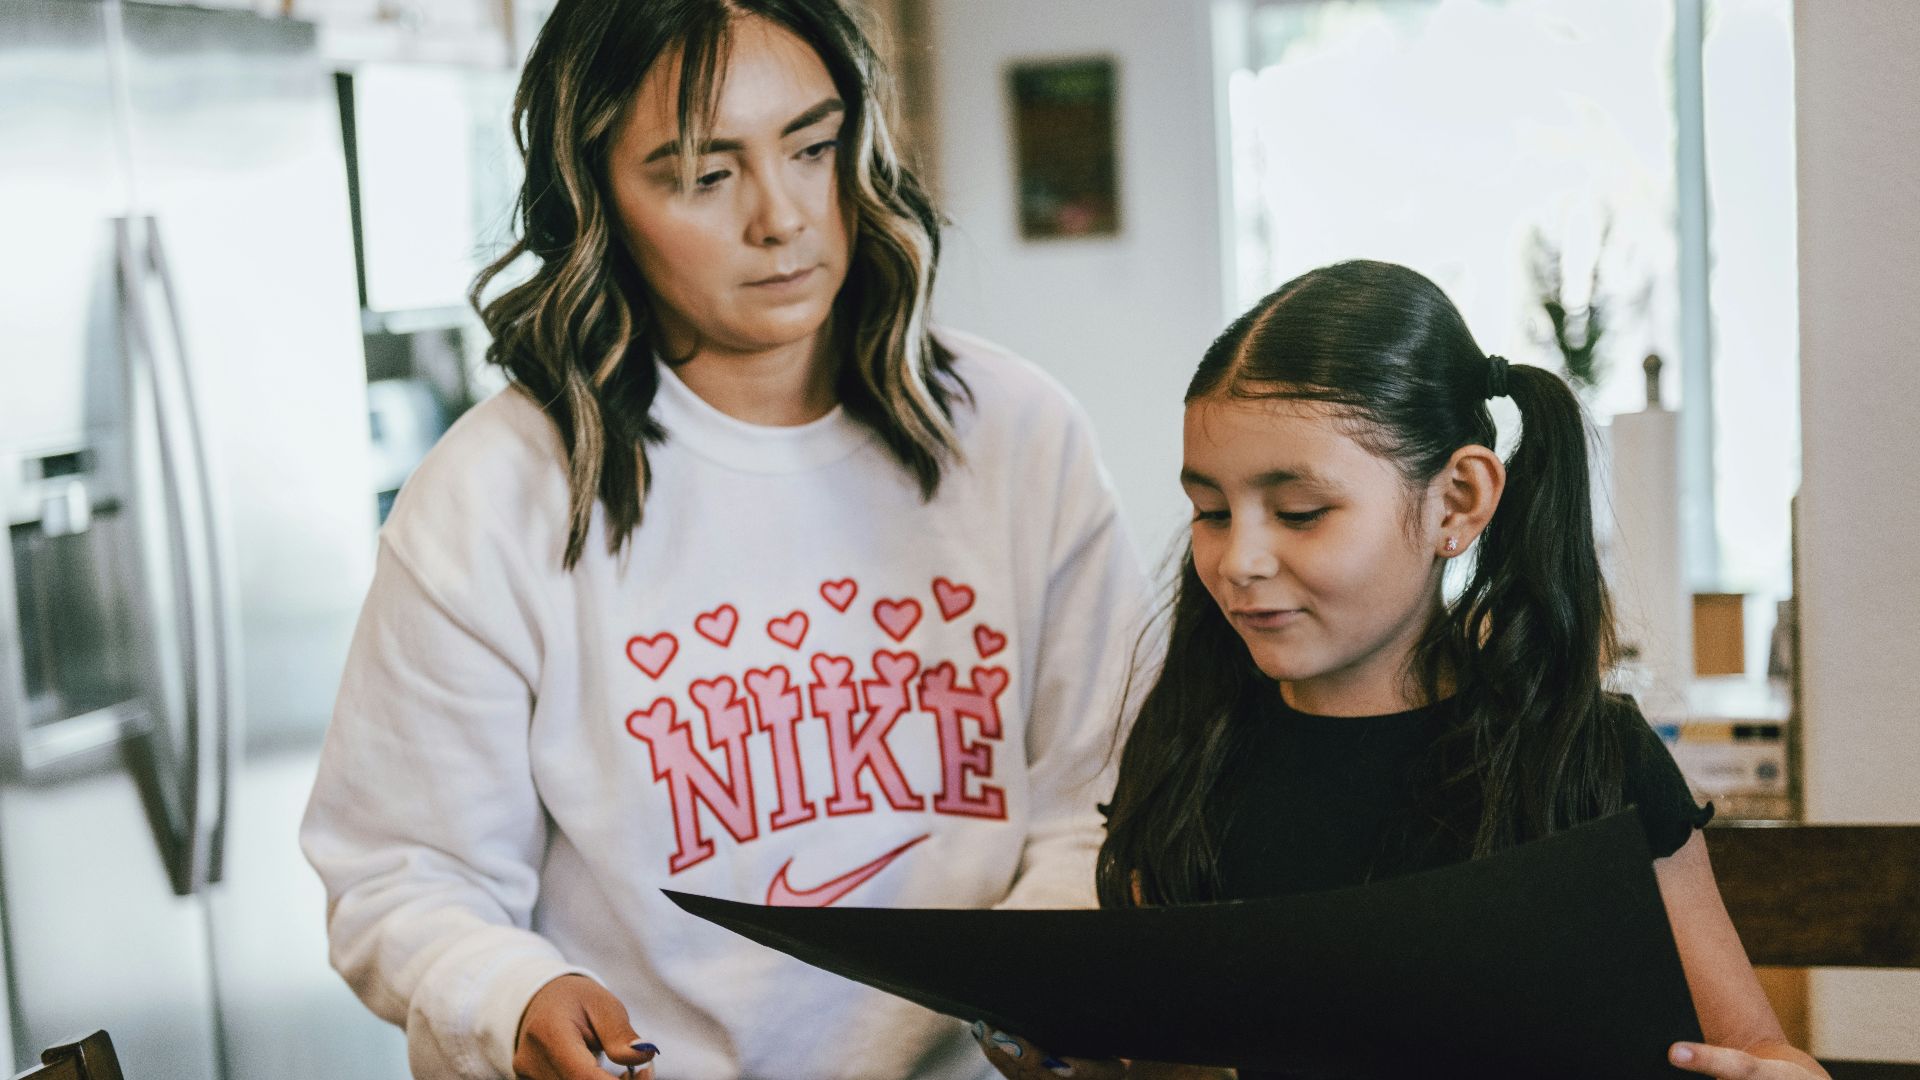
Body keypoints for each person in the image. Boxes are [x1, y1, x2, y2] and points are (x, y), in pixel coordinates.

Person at [300, 2, 1148, 1078]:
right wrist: (512, 994)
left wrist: (1035, 1006)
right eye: (704, 175)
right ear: (594, 193)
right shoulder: (496, 494)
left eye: (813, 148)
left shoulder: (1017, 434)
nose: (783, 217)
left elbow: (1103, 797)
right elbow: (401, 873)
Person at [974, 261, 1826, 1080]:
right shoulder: (1191, 749)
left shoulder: (1584, 758)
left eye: (1301, 513)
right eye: (1210, 512)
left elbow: (1756, 1046)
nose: (1240, 559)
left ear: (1458, 500)